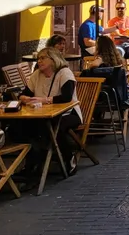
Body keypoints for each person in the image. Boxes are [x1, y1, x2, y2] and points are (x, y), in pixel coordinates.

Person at [16, 48, 82, 177]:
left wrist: (44, 100)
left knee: (53, 126)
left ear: (53, 60)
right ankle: (34, 161)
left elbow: (67, 97)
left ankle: (68, 158)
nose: (39, 61)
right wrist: (24, 98)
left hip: (68, 113)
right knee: (21, 126)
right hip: (41, 115)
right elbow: (24, 94)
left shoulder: (64, 73)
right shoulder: (36, 75)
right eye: (38, 59)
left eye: (43, 58)